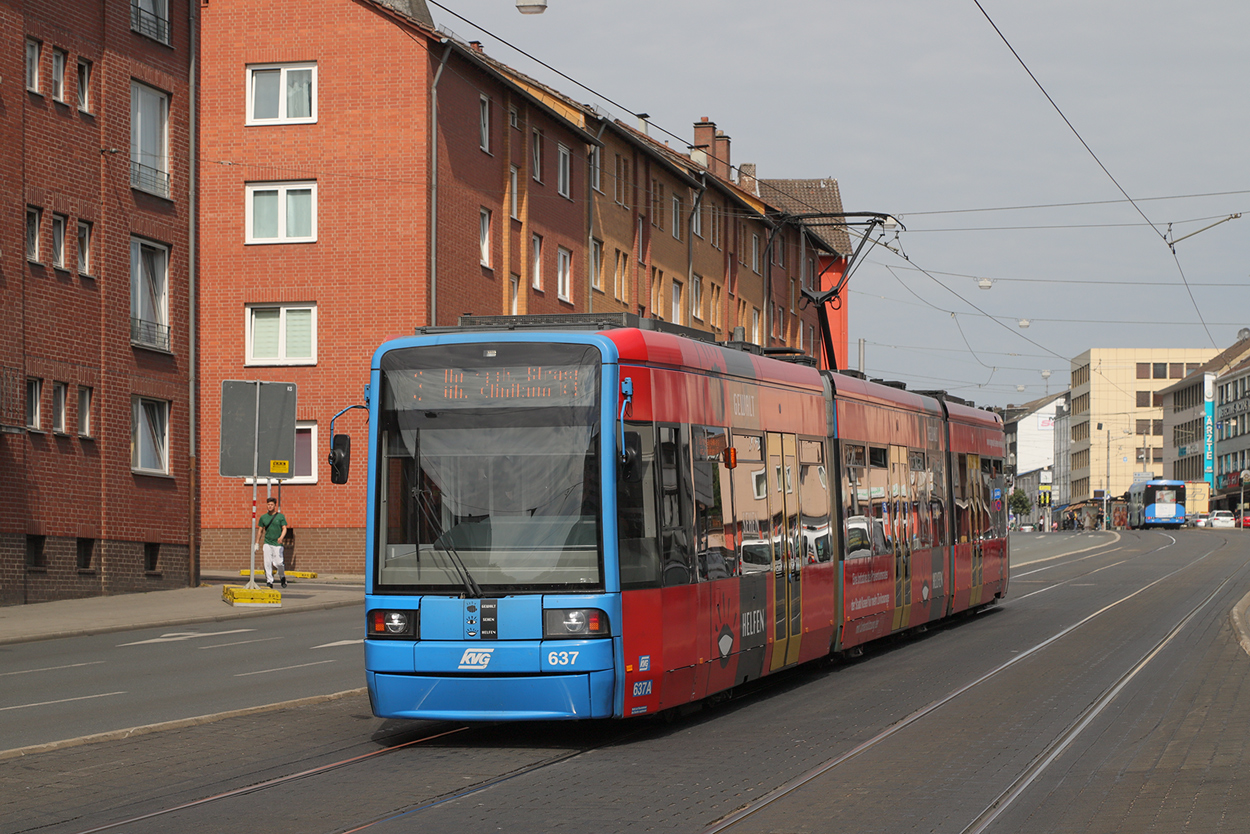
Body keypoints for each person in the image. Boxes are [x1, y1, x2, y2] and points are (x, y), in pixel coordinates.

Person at [254, 496, 289, 589]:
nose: (270, 506)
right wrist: (257, 543)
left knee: (279, 563)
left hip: (277, 543)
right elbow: (260, 530)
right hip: (267, 542)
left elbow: (284, 528)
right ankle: (269, 581)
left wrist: (281, 537)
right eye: (268, 504)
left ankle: (282, 577)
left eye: (271, 505)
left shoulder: (280, 516)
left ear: (275, 506)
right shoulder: (263, 517)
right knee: (267, 562)